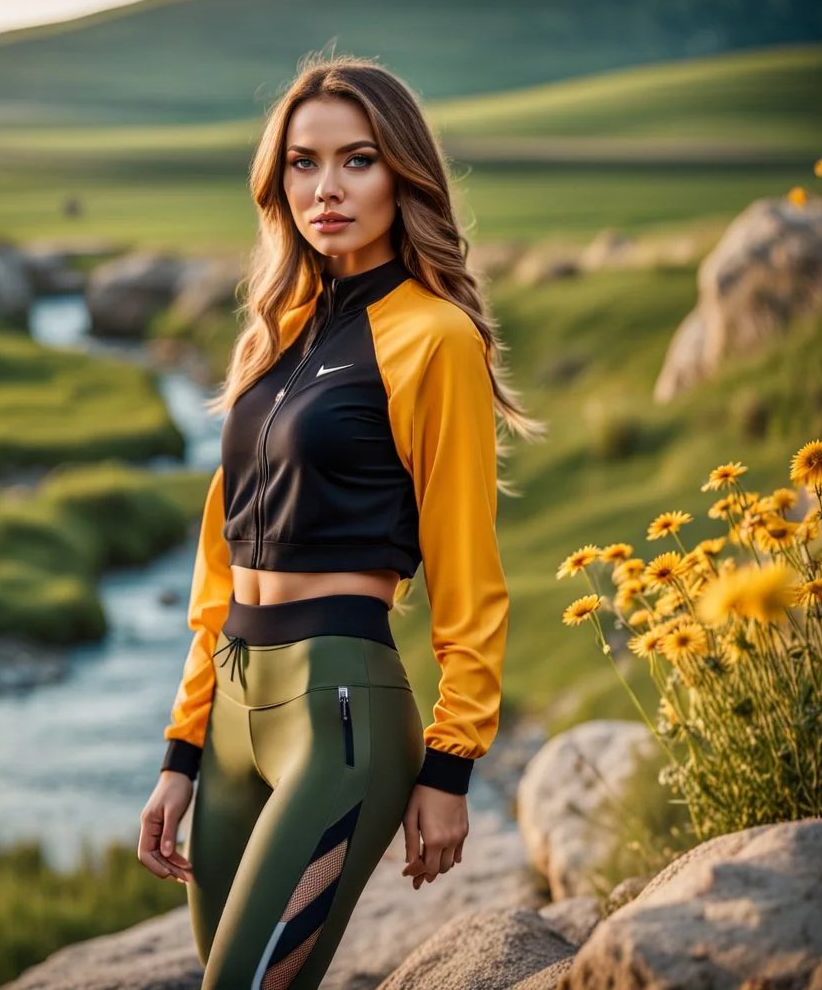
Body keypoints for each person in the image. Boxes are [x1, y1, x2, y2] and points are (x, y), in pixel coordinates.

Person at [138, 52, 546, 989]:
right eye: (302, 162)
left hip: (342, 716)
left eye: (357, 161)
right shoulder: (276, 332)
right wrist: (181, 752)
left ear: (404, 174)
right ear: (277, 182)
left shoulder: (435, 337)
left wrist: (449, 768)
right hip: (235, 712)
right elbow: (220, 563)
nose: (326, 188)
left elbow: (468, 571)